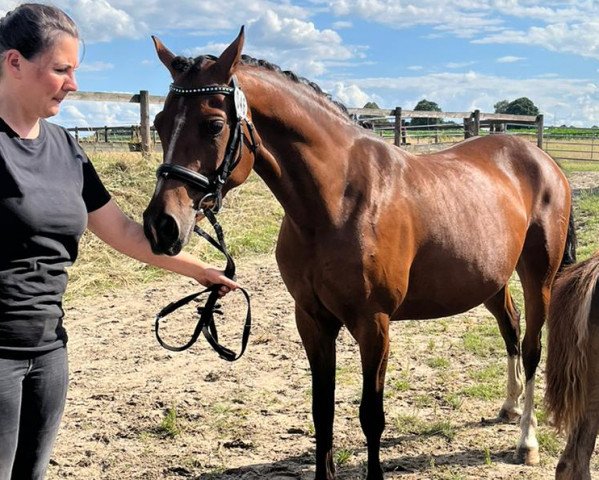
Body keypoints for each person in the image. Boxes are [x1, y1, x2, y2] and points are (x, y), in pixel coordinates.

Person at [0, 4, 239, 479]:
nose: (73, 84)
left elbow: (124, 232)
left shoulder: (66, 149)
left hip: (49, 351)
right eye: (61, 70)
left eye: (75, 71)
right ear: (14, 63)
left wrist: (201, 271)